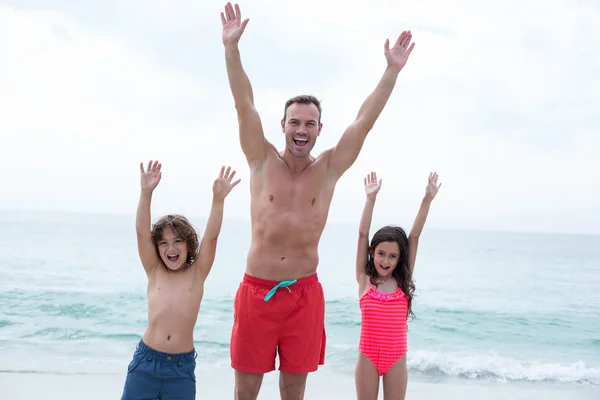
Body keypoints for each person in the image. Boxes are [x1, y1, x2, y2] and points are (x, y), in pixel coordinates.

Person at [220, 2, 416, 399]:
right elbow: (244, 103)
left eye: (310, 123)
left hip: (303, 295)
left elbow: (364, 122)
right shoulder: (259, 158)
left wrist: (391, 72)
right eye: (294, 121)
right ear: (283, 125)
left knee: (294, 389)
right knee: (246, 390)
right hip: (257, 292)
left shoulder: (328, 170)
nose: (301, 129)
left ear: (319, 129)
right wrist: (231, 49)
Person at [120, 160, 240, 400]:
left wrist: (218, 200)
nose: (171, 248)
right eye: (163, 242)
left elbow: (212, 238)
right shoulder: (154, 270)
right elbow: (142, 232)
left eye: (177, 241)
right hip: (145, 364)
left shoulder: (197, 273)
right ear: (156, 248)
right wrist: (146, 193)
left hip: (180, 370)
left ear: (188, 244)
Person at [354, 171, 441, 400]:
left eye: (393, 256)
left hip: (396, 359)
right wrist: (370, 199)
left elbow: (414, 237)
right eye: (381, 254)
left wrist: (427, 199)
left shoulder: (402, 282)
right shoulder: (364, 279)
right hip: (368, 358)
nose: (386, 261)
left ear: (399, 259)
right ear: (372, 253)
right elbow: (363, 234)